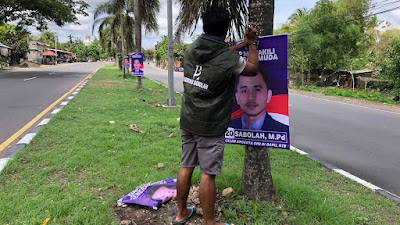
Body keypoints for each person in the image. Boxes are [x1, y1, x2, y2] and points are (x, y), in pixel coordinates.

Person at [174, 6, 259, 225]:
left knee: (186, 166)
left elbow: (222, 54)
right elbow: (251, 69)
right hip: (210, 125)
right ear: (226, 29)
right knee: (207, 174)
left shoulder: (192, 49)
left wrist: (243, 44)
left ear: (203, 26)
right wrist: (253, 44)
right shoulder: (226, 59)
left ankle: (181, 213)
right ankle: (210, 222)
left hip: (188, 118)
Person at [230, 67, 289, 131]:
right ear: (237, 97)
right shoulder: (228, 128)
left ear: (268, 95)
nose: (250, 97)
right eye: (244, 91)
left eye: (257, 90)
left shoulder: (281, 131)